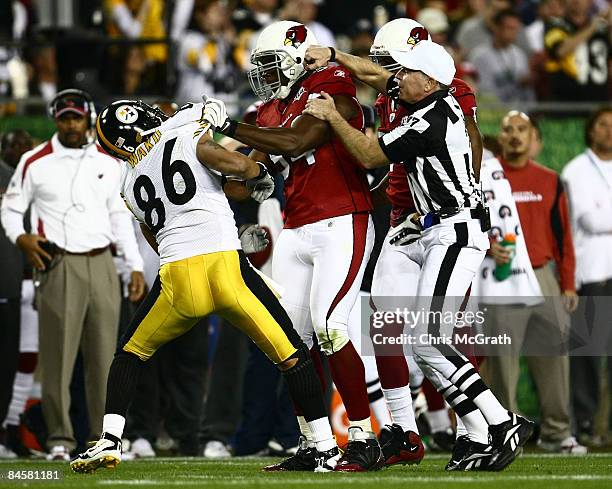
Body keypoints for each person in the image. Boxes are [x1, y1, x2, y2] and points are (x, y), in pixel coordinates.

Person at [299, 39, 534, 471]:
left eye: (406, 73)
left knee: (429, 342)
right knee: (426, 346)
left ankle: (501, 421)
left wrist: (333, 116)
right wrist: (334, 56)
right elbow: (378, 77)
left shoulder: (431, 119)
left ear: (428, 80)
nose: (397, 78)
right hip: (435, 228)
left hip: (454, 230)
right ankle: (483, 429)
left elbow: (370, 154)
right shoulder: (432, 100)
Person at [70, 99, 340, 473]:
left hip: (178, 276)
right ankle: (325, 448)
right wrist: (256, 169)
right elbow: (237, 166)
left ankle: (109, 438)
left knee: (130, 354)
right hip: (224, 267)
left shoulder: (130, 183)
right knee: (292, 356)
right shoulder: (182, 131)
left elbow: (156, 235)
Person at [202, 20, 383, 472]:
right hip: (297, 226)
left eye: (269, 64)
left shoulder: (330, 82)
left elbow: (298, 139)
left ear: (297, 56)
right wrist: (200, 152)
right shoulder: (269, 109)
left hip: (343, 218)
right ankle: (316, 442)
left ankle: (363, 437)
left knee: (330, 327)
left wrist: (230, 125)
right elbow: (247, 177)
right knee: (285, 340)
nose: (263, 75)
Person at [0, 89, 146, 461]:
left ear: (89, 118)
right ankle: (60, 439)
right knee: (58, 358)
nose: (70, 124)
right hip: (59, 262)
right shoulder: (35, 161)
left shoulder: (110, 163)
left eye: (76, 117)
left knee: (104, 359)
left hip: (101, 262)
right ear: (55, 119)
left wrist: (135, 265)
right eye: (64, 118)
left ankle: (103, 440)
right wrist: (22, 238)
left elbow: (120, 218)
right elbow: (11, 209)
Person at [482, 110, 584, 454]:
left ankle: (558, 433)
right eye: (508, 129)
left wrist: (568, 284)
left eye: (521, 130)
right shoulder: (486, 178)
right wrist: (485, 246)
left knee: (555, 359)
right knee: (502, 362)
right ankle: (507, 436)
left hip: (544, 276)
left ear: (533, 139)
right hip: (502, 277)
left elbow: (563, 235)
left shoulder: (550, 180)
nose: (513, 135)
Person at [562, 107, 612, 446]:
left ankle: (605, 427)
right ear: (590, 131)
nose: (609, 131)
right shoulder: (575, 170)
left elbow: (601, 217)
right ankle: (583, 422)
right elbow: (589, 221)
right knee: (589, 357)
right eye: (603, 125)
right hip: (592, 274)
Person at [0, 129, 32, 458]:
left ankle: (10, 428)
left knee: (19, 361)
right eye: (14, 145)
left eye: (25, 146)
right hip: (10, 279)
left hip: (21, 281)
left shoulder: (26, 178)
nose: (20, 151)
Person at [544, 0, 611, 101]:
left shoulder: (603, 31)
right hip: (565, 105)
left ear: (590, 2)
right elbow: (560, 51)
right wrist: (593, 27)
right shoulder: (554, 25)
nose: (576, 1)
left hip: (598, 103)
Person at [468, 9, 534, 102]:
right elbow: (483, 91)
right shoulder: (480, 56)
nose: (514, 33)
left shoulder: (520, 54)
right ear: (496, 27)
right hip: (491, 111)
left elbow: (528, 92)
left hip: (518, 110)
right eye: (509, 28)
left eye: (516, 29)